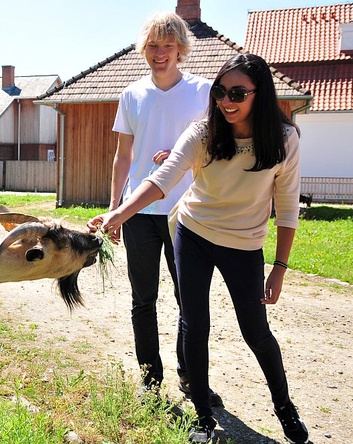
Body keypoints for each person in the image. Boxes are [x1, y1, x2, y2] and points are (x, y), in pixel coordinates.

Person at [89, 53, 309, 444]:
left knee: (256, 330)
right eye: (221, 92)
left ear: (260, 94)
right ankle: (204, 417)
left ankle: (285, 408)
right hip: (193, 234)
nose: (227, 101)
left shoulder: (284, 139)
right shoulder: (204, 133)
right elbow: (162, 179)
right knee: (195, 322)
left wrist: (279, 266)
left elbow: (288, 206)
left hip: (244, 244)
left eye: (238, 93)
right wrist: (118, 213)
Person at [108, 11, 221, 405]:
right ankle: (149, 381)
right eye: (153, 46)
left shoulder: (204, 92)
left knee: (189, 301)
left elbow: (218, 147)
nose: (160, 53)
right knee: (143, 300)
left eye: (167, 46)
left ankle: (191, 377)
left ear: (180, 49)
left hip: (186, 214)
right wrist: (114, 209)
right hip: (138, 212)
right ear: (144, 49)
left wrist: (180, 154)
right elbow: (124, 157)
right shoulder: (132, 95)